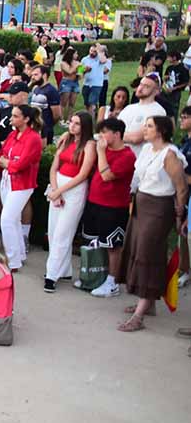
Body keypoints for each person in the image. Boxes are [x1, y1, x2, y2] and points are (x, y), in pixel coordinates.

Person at [117, 116, 188, 332]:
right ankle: (148, 303)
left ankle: (140, 314)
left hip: (159, 208)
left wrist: (179, 214)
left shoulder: (170, 155)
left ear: (160, 131)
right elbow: (139, 177)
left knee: (148, 254)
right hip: (142, 203)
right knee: (137, 249)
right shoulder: (148, 150)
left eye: (149, 126)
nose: (143, 129)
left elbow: (181, 187)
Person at [83, 117, 137, 298]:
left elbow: (107, 176)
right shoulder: (103, 150)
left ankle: (112, 282)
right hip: (94, 202)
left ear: (117, 134)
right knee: (96, 241)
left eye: (105, 132)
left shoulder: (127, 156)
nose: (102, 136)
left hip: (113, 207)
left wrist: (101, 152)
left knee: (113, 246)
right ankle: (95, 275)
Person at [44, 110, 97, 292]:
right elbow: (54, 166)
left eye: (77, 124)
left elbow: (83, 174)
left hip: (74, 189)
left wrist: (60, 191)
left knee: (63, 233)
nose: (72, 126)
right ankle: (63, 269)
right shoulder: (66, 139)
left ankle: (51, 275)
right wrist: (55, 190)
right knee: (52, 231)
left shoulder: (90, 145)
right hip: (58, 183)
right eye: (71, 123)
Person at [0, 105, 43, 271]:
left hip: (22, 183)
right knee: (13, 219)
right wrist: (7, 163)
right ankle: (19, 254)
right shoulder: (13, 134)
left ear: (26, 119)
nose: (11, 119)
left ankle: (12, 260)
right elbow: (0, 154)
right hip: (7, 180)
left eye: (15, 116)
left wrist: (7, 163)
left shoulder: (33, 138)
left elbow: (21, 164)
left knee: (7, 219)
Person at [119, 73, 166, 155]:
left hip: (139, 159)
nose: (140, 88)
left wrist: (115, 136)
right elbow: (112, 130)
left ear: (156, 91)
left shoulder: (157, 111)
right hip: (120, 157)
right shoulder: (128, 108)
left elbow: (136, 138)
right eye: (141, 84)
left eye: (147, 86)